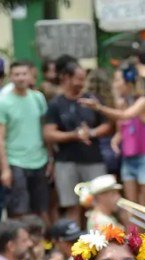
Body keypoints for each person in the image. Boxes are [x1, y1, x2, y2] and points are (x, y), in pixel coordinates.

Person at [80, 66, 145, 209]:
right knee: (131, 205)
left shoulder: (143, 101)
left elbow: (126, 116)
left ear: (128, 82)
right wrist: (115, 140)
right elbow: (121, 130)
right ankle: (134, 232)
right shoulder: (121, 103)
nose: (114, 84)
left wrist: (99, 107)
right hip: (128, 158)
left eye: (117, 80)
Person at [44, 58, 110, 222]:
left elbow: (108, 125)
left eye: (83, 79)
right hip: (66, 162)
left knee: (98, 204)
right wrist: (74, 135)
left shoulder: (92, 101)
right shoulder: (56, 105)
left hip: (93, 160)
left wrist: (92, 133)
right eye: (78, 79)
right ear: (66, 78)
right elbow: (49, 134)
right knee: (71, 206)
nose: (82, 83)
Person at [0, 60, 51, 222]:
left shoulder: (38, 98)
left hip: (39, 159)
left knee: (41, 208)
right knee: (19, 209)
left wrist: (50, 157)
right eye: (16, 74)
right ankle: (21, 244)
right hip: (15, 161)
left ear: (30, 76)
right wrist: (5, 169)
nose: (20, 78)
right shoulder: (2, 102)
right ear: (10, 77)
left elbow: (44, 128)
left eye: (24, 74)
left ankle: (41, 244)